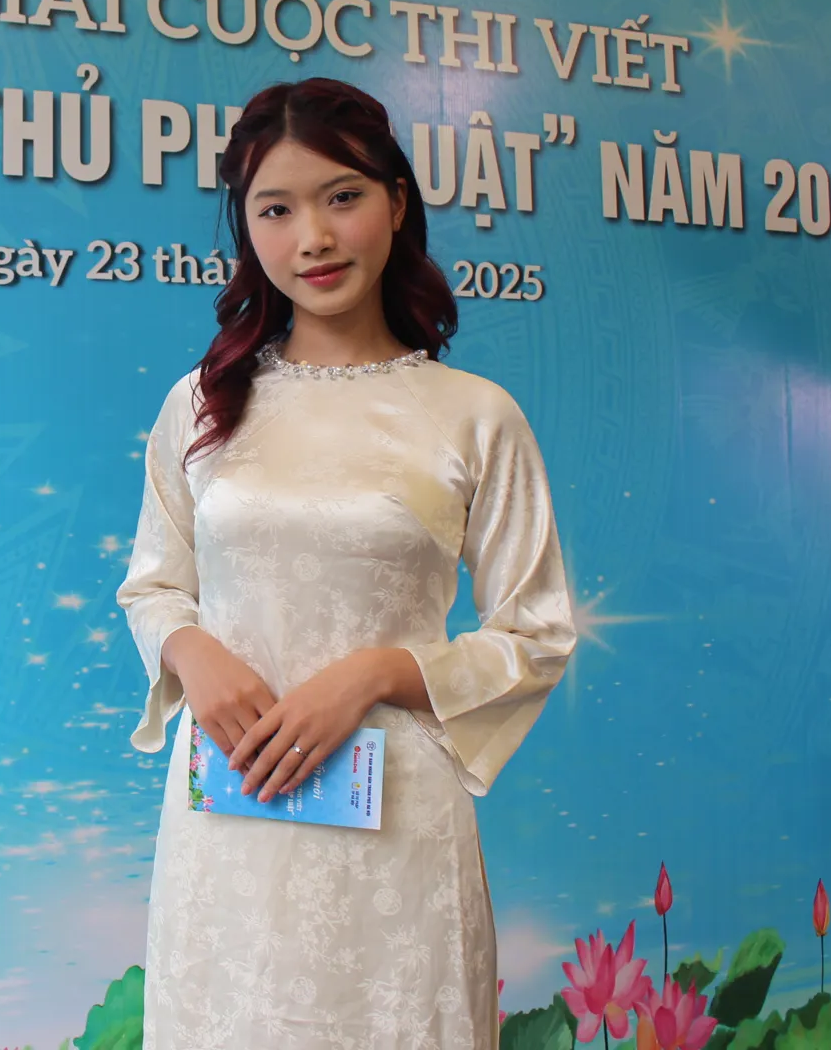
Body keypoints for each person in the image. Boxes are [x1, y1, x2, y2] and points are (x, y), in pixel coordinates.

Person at [117, 78, 577, 1049]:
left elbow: (536, 634)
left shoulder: (474, 415)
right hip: (230, 818)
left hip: (397, 830)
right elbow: (154, 583)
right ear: (247, 228)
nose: (314, 238)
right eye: (276, 210)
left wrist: (376, 673)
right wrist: (193, 652)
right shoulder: (201, 404)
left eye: (342, 196)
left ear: (397, 203)